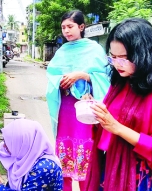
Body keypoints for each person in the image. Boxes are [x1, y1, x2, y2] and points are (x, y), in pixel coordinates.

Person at [84, 18, 152, 190]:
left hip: (145, 179)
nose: (117, 64)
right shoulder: (120, 82)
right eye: (113, 57)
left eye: (124, 58)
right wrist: (96, 112)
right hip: (114, 167)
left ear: (144, 54)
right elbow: (109, 126)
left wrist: (118, 128)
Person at [46, 10, 110, 191]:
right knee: (64, 153)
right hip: (65, 108)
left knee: (86, 153)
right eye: (63, 27)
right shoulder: (62, 51)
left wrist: (83, 75)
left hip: (85, 109)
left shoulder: (95, 49)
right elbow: (51, 76)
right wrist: (61, 81)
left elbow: (105, 77)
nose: (66, 31)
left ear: (81, 27)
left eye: (70, 26)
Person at [0, 119, 63, 191]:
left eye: (8, 143)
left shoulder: (45, 167)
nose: (4, 146)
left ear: (22, 143)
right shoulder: (23, 150)